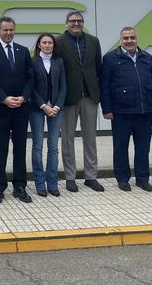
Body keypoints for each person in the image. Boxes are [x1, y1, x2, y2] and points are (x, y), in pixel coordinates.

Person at [100, 27, 152, 192]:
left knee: (143, 147)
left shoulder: (147, 58)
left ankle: (142, 178)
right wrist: (107, 109)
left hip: (144, 112)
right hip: (121, 112)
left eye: (132, 37)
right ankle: (122, 179)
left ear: (137, 38)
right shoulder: (110, 58)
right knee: (121, 146)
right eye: (126, 38)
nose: (129, 41)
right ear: (120, 40)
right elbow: (104, 85)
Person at [0, 16, 35, 204]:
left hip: (21, 108)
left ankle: (20, 186)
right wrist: (4, 98)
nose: (8, 33)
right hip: (0, 109)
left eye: (11, 29)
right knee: (0, 149)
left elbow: (30, 78)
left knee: (20, 148)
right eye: (5, 30)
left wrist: (24, 97)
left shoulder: (23, 51)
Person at [55, 10, 105, 193]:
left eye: (79, 21)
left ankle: (91, 177)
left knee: (90, 138)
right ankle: (70, 177)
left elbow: (98, 68)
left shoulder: (93, 41)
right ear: (66, 23)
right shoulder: (58, 42)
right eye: (72, 21)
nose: (76, 24)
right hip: (68, 97)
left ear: (83, 23)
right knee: (67, 139)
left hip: (90, 96)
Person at [29, 33, 66, 196]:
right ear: (39, 45)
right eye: (44, 42)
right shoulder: (32, 62)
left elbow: (63, 86)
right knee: (37, 146)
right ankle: (39, 183)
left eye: (50, 42)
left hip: (56, 109)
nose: (47, 45)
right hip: (37, 108)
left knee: (53, 147)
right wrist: (43, 106)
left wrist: (57, 106)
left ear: (53, 45)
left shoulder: (59, 62)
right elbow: (31, 86)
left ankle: (52, 183)